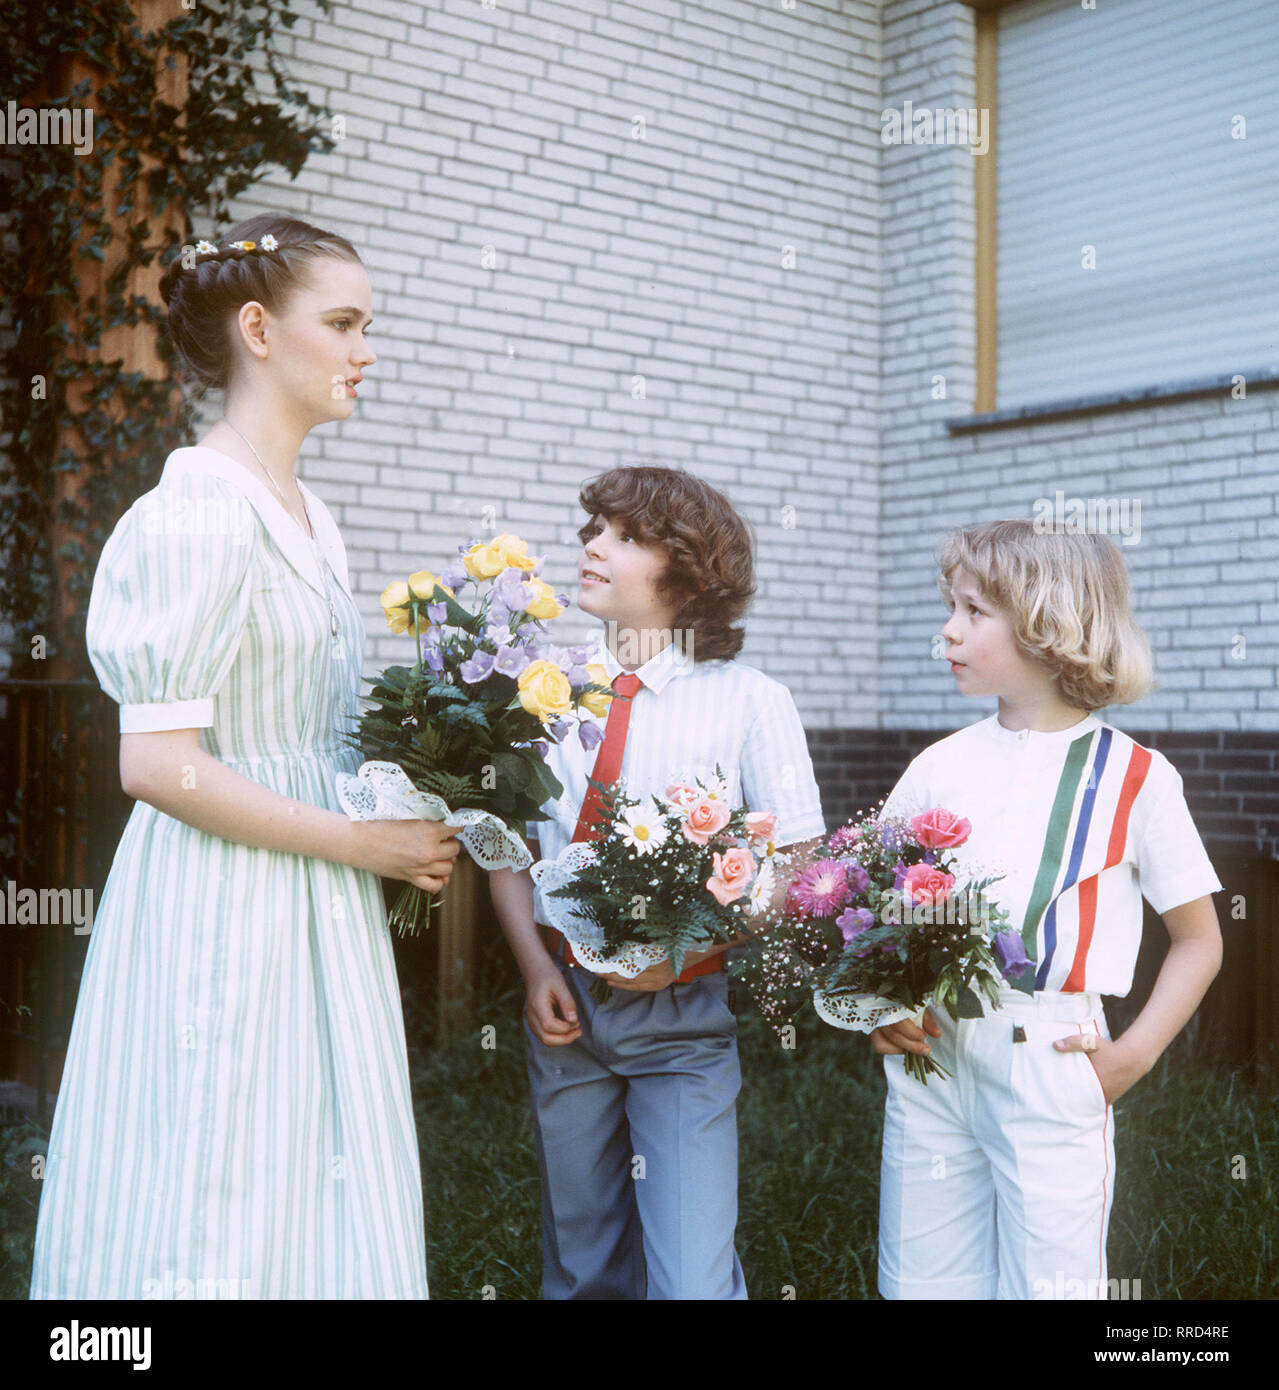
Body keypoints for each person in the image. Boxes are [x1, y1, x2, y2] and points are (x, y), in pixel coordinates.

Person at [29, 213, 460, 1300]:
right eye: (346, 322)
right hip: (223, 899)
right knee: (218, 1178)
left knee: (316, 1178)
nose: (368, 349)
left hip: (318, 897)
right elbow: (157, 766)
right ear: (259, 328)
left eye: (371, 325)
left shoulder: (311, 515)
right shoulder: (197, 514)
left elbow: (310, 729)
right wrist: (362, 840)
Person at [488, 465, 825, 1299]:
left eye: (625, 536)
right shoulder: (542, 690)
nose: (593, 546)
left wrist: (682, 954)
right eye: (593, 528)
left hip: (683, 1018)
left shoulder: (749, 701)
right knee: (581, 1257)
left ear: (687, 569)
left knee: (689, 1272)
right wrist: (536, 972)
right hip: (565, 1005)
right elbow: (505, 848)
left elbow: (796, 864)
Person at [872, 519, 1222, 1300]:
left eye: (971, 612)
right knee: (921, 1280)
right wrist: (876, 1006)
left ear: (1045, 623)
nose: (947, 631)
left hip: (1051, 1060)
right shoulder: (939, 764)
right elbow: (871, 910)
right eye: (950, 608)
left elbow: (1198, 941)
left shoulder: (1138, 778)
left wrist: (1128, 1059)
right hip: (931, 1059)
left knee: (1050, 1286)